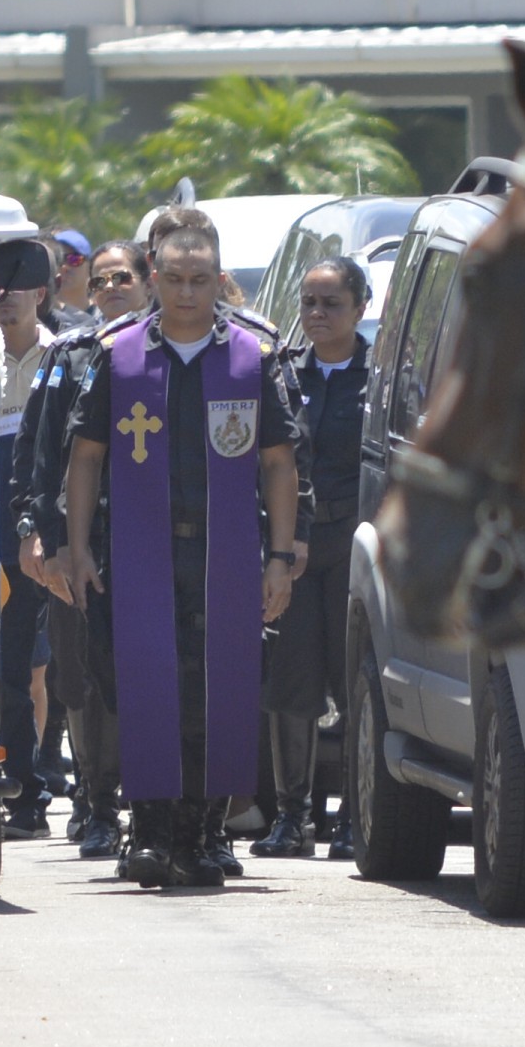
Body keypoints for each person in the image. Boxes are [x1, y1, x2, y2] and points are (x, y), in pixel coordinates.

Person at [64, 228, 302, 889]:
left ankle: (202, 833)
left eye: (200, 280)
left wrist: (281, 556)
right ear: (155, 279)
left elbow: (280, 463)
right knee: (144, 688)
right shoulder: (120, 356)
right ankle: (151, 832)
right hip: (141, 551)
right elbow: (85, 457)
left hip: (225, 553)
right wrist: (76, 548)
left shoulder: (253, 357)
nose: (188, 293)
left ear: (217, 279)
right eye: (174, 280)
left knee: (217, 690)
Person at [14, 237, 155, 856]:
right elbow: (36, 453)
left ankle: (152, 806)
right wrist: (34, 532)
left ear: (147, 282)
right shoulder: (69, 356)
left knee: (148, 675)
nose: (112, 290)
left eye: (124, 277)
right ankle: (97, 807)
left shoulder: (172, 355)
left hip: (155, 539)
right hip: (80, 542)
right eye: (100, 282)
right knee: (81, 676)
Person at [253, 258, 371, 861]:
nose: (318, 315)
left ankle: (356, 814)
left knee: (354, 686)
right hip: (291, 549)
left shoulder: (381, 379)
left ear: (360, 307)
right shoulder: (282, 374)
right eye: (309, 303)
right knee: (290, 683)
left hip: (354, 549)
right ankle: (293, 818)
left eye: (332, 303)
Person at [0, 264, 58, 838]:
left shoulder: (67, 358)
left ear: (39, 292)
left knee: (69, 673)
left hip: (53, 538)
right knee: (10, 674)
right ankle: (24, 795)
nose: (3, 301)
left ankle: (93, 800)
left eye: (13, 290)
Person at [51, 228, 94, 314]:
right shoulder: (36, 319)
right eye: (58, 259)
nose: (64, 267)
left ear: (90, 267)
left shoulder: (105, 315)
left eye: (74, 259)